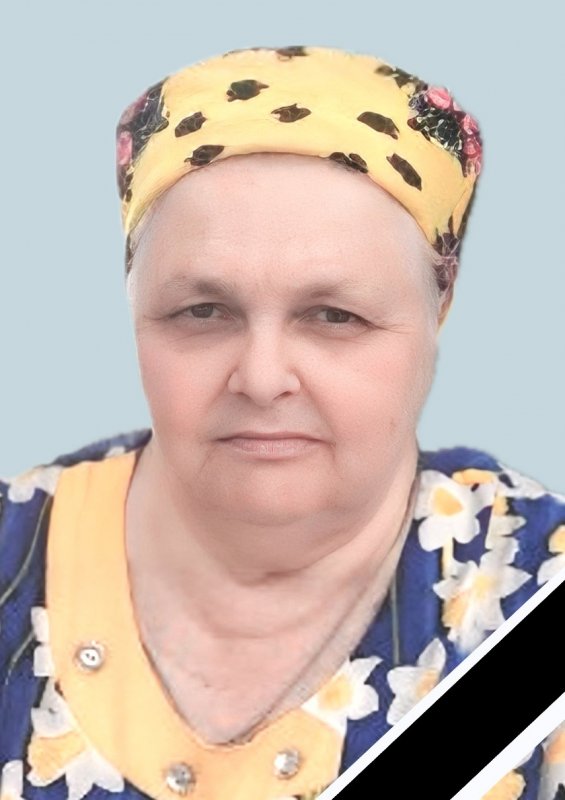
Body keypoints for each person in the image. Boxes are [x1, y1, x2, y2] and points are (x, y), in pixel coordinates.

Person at [0, 44, 563, 800]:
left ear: (440, 308)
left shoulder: (533, 585)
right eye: (203, 311)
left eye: (334, 315)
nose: (263, 379)